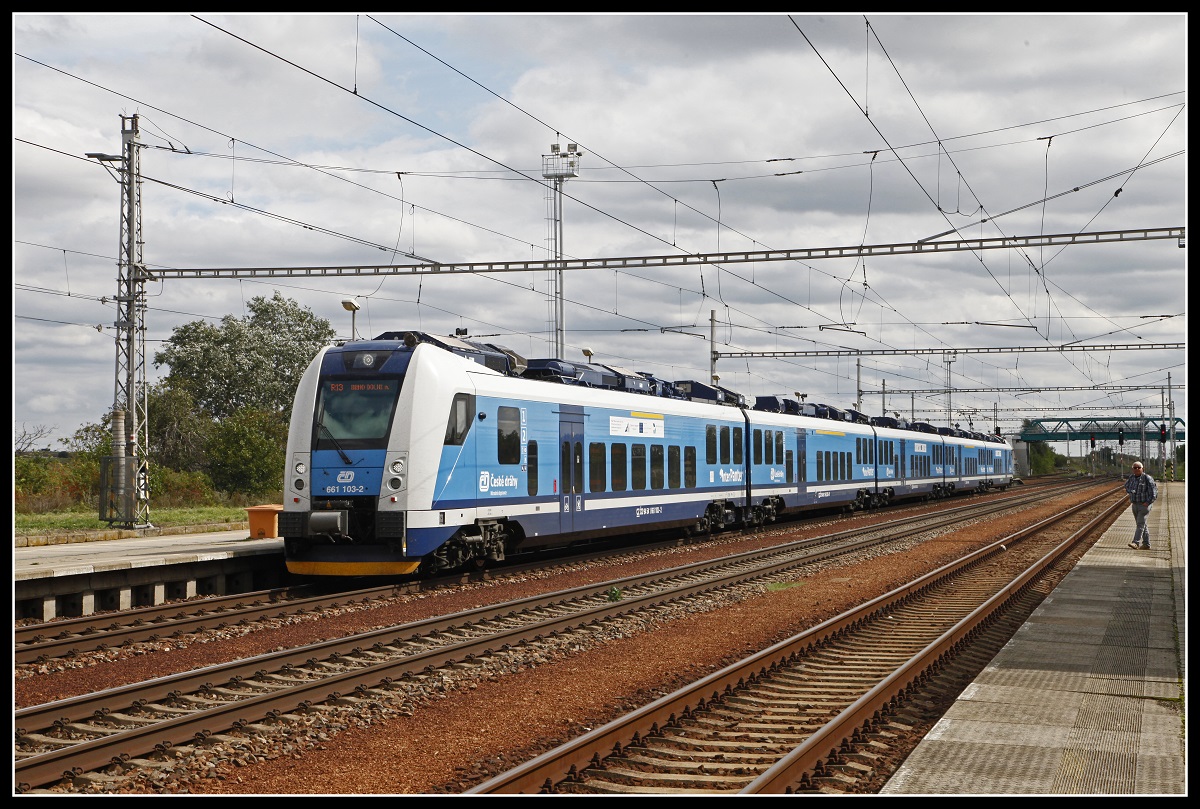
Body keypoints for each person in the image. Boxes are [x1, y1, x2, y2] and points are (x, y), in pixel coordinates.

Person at [1123, 461, 1157, 549]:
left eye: (1139, 467)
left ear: (1142, 469)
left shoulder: (1147, 478)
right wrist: (1131, 491)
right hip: (1135, 504)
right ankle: (1146, 544)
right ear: (1132, 469)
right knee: (1142, 524)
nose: (1137, 469)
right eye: (1135, 468)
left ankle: (1136, 542)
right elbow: (1126, 486)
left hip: (1144, 505)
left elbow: (1154, 492)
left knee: (1140, 524)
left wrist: (1148, 502)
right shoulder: (1132, 478)